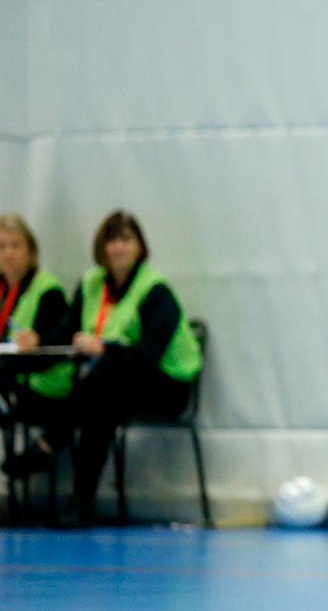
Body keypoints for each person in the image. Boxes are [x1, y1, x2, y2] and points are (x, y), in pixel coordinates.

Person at [5, 211, 202, 524]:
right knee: (101, 404)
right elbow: (68, 330)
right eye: (111, 240)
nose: (117, 248)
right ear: (101, 247)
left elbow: (149, 355)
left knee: (107, 375)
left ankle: (48, 443)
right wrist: (37, 339)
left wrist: (105, 348)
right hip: (116, 385)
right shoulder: (92, 284)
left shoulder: (155, 291)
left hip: (168, 385)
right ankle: (81, 504)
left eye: (125, 240)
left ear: (139, 247)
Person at [0, 215, 75, 484]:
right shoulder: (3, 289)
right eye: (2, 246)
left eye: (15, 245)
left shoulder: (48, 291)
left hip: (45, 385)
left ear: (30, 251)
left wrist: (37, 340)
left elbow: (54, 347)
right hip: (12, 379)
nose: (7, 253)